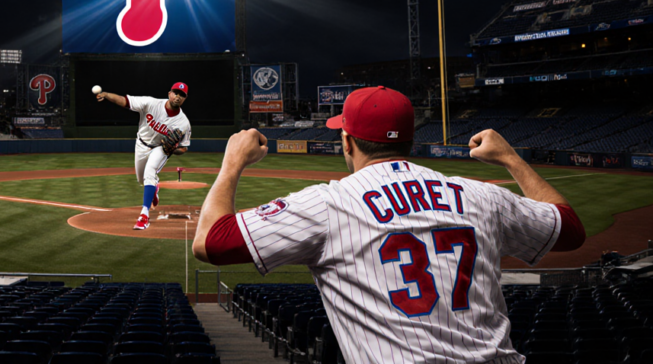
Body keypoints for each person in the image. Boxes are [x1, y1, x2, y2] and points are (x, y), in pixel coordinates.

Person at [192, 86, 586, 364]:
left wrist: (232, 163)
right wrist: (512, 159)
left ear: (347, 142)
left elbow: (212, 243)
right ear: (411, 140)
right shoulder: (480, 194)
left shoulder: (331, 202)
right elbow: (568, 230)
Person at [97, 82, 192, 230]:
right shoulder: (151, 103)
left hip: (161, 148)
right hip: (141, 144)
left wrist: (173, 149)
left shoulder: (183, 123)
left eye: (182, 95)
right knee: (141, 180)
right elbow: (125, 101)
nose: (178, 97)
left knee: (149, 172)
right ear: (169, 93)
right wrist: (107, 95)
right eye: (175, 93)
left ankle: (144, 215)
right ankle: (154, 188)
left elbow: (184, 148)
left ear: (185, 99)